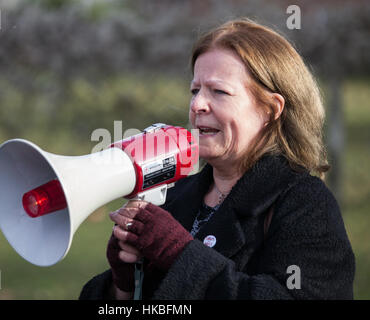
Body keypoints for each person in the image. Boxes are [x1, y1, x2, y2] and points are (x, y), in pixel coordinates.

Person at [79, 18, 355, 300]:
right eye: (195, 90)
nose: (197, 105)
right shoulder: (175, 196)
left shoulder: (305, 203)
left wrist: (179, 254)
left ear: (271, 109)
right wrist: (122, 286)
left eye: (219, 91)